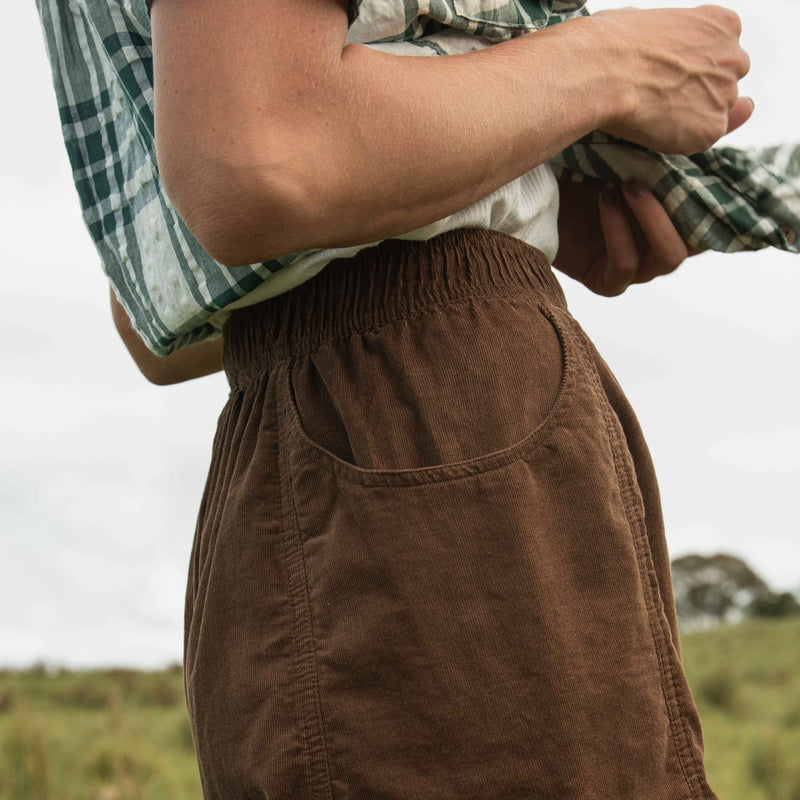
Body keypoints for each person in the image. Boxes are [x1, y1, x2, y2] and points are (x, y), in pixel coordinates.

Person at [38, 0, 756, 797]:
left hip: (302, 421)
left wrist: (489, 186)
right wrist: (618, 63)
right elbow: (258, 154)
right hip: (438, 414)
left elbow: (157, 320)